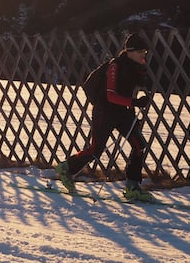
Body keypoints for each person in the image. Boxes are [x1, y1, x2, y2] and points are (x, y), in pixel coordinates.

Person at [54, 33, 152, 200]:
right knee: (96, 150)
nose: (143, 55)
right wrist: (135, 102)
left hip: (123, 112)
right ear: (129, 51)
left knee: (139, 146)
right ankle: (66, 168)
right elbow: (110, 96)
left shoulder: (136, 66)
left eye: (145, 52)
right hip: (105, 112)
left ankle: (133, 187)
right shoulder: (115, 66)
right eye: (140, 51)